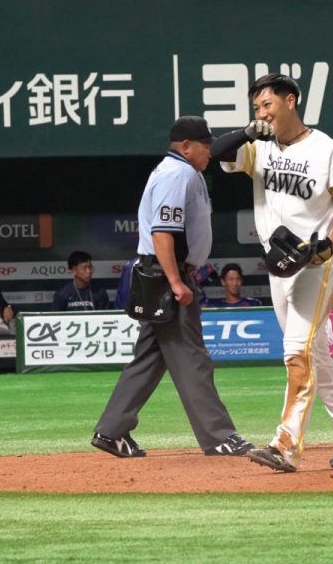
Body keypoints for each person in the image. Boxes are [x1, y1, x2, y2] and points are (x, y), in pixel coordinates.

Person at [211, 72, 333, 472]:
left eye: (267, 104)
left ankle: (284, 446)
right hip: (279, 266)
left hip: (317, 264)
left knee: (296, 351)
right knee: (313, 353)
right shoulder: (258, 148)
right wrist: (246, 132)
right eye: (256, 107)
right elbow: (218, 152)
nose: (262, 113)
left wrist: (329, 244)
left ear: (290, 101)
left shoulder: (328, 149)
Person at [92, 116, 252, 459]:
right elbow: (162, 232)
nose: (210, 152)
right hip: (167, 274)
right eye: (205, 146)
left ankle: (111, 431)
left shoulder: (182, 169)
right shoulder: (177, 174)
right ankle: (219, 436)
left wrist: (246, 133)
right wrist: (176, 281)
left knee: (149, 359)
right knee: (192, 357)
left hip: (163, 272)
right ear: (187, 146)